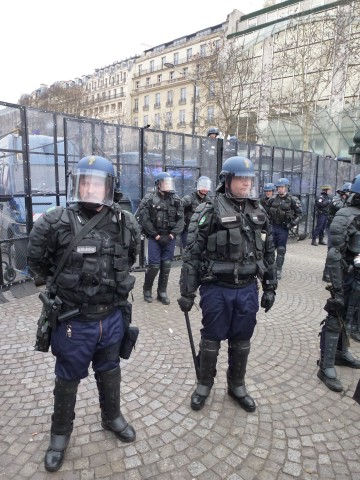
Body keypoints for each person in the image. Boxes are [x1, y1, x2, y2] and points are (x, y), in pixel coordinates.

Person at [27, 155, 141, 472]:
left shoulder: (125, 222)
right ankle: (60, 435)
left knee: (110, 369)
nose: (91, 188)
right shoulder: (55, 221)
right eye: (85, 181)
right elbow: (36, 261)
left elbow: (131, 257)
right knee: (67, 379)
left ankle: (112, 417)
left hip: (112, 316)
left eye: (98, 183)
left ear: (110, 186)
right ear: (77, 184)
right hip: (73, 322)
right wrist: (62, 285)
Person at [177, 156, 277, 412]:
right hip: (216, 289)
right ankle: (204, 384)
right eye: (241, 179)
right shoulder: (208, 210)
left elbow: (268, 252)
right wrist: (187, 292)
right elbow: (192, 254)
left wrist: (270, 287)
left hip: (246, 289)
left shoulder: (259, 211)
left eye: (249, 180)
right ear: (227, 180)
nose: (246, 184)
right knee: (211, 339)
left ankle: (237, 385)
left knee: (242, 339)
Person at [317, 174, 360, 392]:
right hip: (348, 276)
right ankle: (325, 366)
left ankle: (342, 353)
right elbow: (334, 255)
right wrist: (337, 288)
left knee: (350, 317)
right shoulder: (345, 215)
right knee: (336, 316)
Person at [137, 171, 184, 305]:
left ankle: (161, 292)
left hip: (170, 238)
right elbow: (144, 220)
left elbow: (181, 220)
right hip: (154, 238)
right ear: (158, 184)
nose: (168, 185)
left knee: (166, 265)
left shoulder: (176, 200)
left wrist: (172, 235)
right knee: (154, 266)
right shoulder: (148, 199)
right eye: (165, 183)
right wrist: (156, 235)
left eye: (170, 183)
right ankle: (147, 289)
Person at [265, 178, 302, 279]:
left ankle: (278, 270)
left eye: (282, 187)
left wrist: (291, 224)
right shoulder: (272, 199)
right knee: (270, 248)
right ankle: (270, 268)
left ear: (286, 188)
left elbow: (299, 214)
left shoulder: (292, 200)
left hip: (283, 228)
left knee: (281, 250)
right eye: (278, 187)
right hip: (272, 227)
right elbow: (265, 213)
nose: (280, 189)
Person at [322, 182, 352, 282]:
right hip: (332, 228)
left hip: (343, 229)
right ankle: (326, 274)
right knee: (332, 250)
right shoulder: (336, 199)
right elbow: (340, 208)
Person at [181, 176, 212, 249]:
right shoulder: (189, 198)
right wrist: (182, 221)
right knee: (188, 250)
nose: (204, 189)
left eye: (206, 187)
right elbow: (179, 208)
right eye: (202, 186)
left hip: (202, 231)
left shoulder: (208, 200)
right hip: (188, 230)